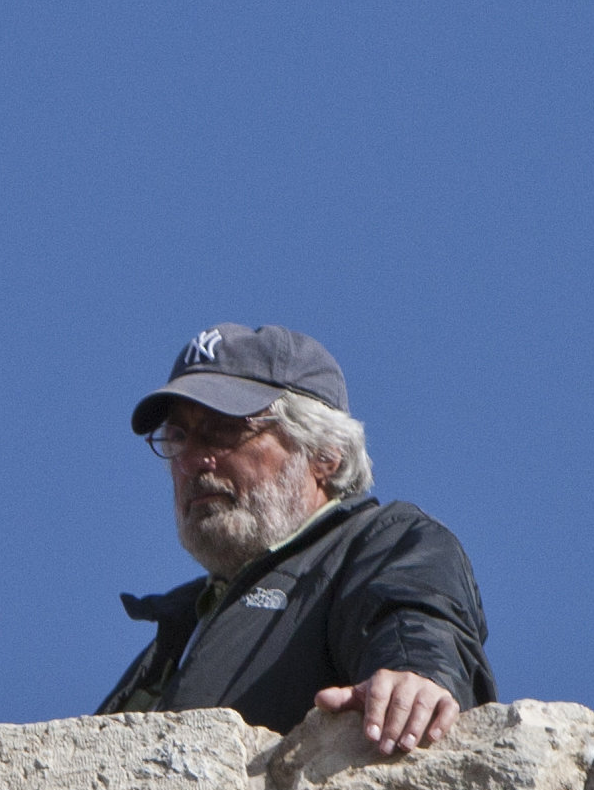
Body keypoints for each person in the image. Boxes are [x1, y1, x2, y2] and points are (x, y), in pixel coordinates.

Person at [98, 323, 493, 753]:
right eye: (178, 436)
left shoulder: (377, 544)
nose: (193, 460)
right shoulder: (177, 631)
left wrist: (413, 673)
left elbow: (410, 614)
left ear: (323, 454)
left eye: (225, 429)